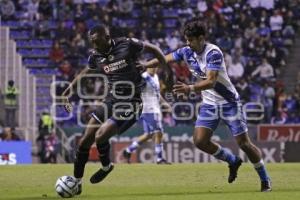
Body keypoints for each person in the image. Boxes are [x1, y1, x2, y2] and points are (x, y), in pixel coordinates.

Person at [145, 19, 271, 192]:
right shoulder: (186, 51)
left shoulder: (213, 53)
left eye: (191, 40)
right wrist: (145, 65)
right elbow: (163, 59)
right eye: (186, 40)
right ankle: (233, 161)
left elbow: (211, 81)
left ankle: (265, 179)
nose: (188, 43)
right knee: (199, 141)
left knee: (244, 144)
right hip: (210, 105)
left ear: (201, 38)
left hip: (229, 103)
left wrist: (189, 88)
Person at [61, 24, 168, 195]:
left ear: (107, 36)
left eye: (97, 41)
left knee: (101, 135)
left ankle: (105, 166)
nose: (94, 46)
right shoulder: (96, 56)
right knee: (84, 141)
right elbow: (84, 73)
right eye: (92, 42)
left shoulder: (127, 44)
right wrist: (67, 91)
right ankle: (78, 181)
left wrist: (165, 70)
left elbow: (154, 49)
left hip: (131, 102)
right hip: (111, 100)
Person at [123, 68, 171, 164]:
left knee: (148, 134)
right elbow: (135, 90)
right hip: (148, 109)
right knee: (159, 132)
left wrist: (165, 103)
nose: (154, 68)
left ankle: (128, 150)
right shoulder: (143, 77)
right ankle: (160, 159)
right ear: (148, 66)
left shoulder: (156, 77)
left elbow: (157, 94)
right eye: (152, 66)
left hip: (155, 108)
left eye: (155, 66)